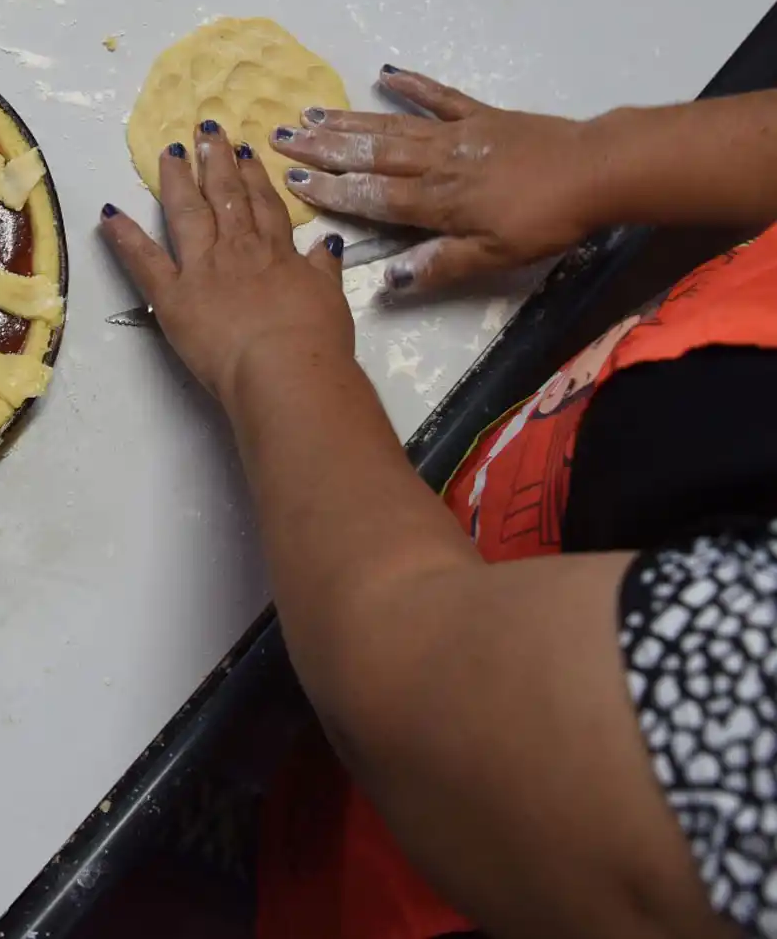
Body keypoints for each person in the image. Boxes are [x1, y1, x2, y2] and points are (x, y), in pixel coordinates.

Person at [99, 68, 777, 938]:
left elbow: (405, 674)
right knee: (305, 789)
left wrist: (269, 352)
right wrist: (601, 157)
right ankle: (270, 814)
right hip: (458, 580)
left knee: (322, 872)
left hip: (460, 830)